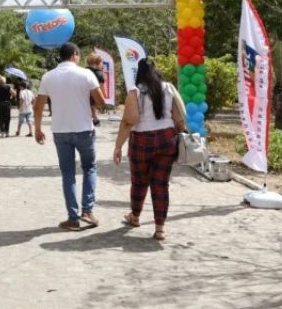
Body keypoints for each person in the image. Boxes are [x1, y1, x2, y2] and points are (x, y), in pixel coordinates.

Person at [112, 58, 187, 241]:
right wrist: (177, 131)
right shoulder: (168, 87)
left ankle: (135, 216)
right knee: (161, 184)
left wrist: (118, 146)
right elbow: (181, 115)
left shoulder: (135, 92)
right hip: (166, 139)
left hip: (141, 141)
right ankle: (160, 228)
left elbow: (129, 121)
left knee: (139, 181)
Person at [34, 42, 105, 231]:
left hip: (60, 131)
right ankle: (87, 211)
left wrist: (38, 129)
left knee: (68, 174)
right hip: (84, 129)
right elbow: (101, 101)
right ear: (74, 55)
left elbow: (38, 106)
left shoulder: (48, 76)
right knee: (89, 167)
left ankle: (72, 218)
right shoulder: (86, 74)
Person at [85, 53, 106, 126]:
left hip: (83, 94)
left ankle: (94, 118)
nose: (102, 65)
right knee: (93, 105)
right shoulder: (99, 74)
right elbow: (101, 89)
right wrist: (104, 97)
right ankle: (95, 119)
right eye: (101, 63)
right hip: (94, 95)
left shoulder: (84, 71)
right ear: (96, 63)